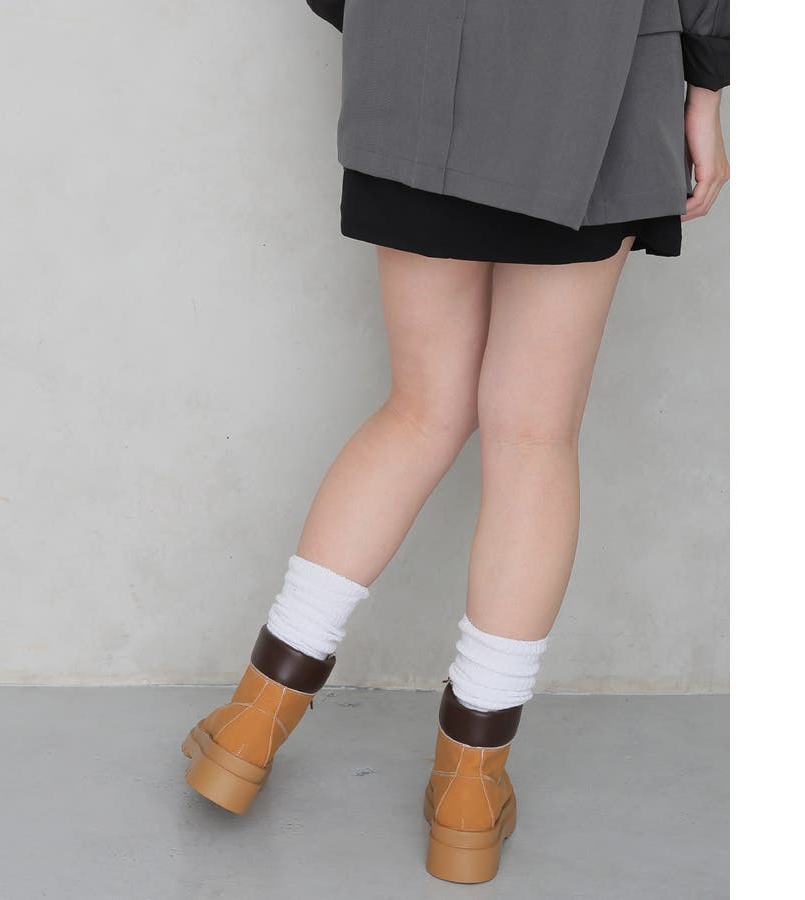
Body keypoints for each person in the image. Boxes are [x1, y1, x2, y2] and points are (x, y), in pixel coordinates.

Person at [180, 0, 729, 884]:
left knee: (419, 410)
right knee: (533, 438)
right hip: (596, 81)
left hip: (419, 68)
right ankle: (468, 790)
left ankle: (250, 725)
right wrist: (705, 87)